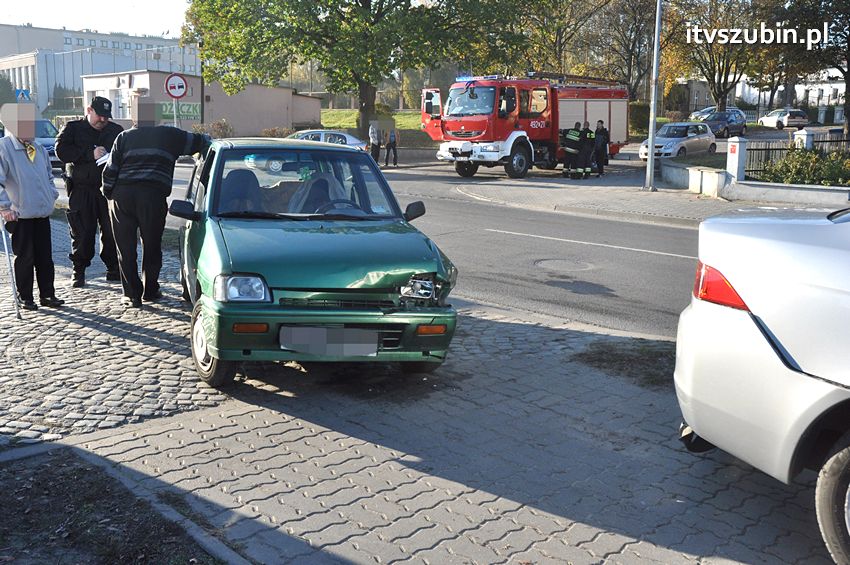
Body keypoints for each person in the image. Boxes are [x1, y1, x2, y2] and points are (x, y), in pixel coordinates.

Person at [102, 99, 210, 308]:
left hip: (122, 195)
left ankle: (131, 295)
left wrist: (109, 194)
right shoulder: (170, 135)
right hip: (153, 195)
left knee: (125, 247)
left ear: (134, 117)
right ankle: (150, 290)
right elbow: (201, 141)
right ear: (157, 117)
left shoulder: (124, 137)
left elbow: (110, 170)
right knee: (152, 244)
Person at [0, 103, 63, 311]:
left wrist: (52, 195)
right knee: (25, 258)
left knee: (45, 257)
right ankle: (25, 296)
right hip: (19, 214)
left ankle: (48, 294)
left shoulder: (38, 148)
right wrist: (4, 207)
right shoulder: (4, 147)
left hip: (41, 212)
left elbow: (49, 176)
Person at [55, 96, 123, 287]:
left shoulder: (116, 131)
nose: (103, 120)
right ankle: (79, 270)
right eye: (99, 115)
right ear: (89, 110)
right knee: (82, 232)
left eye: (106, 116)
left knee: (112, 232)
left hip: (109, 191)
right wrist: (88, 154)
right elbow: (61, 151)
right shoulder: (73, 129)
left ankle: (113, 268)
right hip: (82, 189)